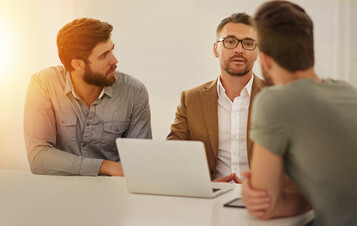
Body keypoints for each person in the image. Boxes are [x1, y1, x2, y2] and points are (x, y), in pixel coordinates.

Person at [242, 1, 357, 226]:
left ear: (264, 59)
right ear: (309, 50)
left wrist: (250, 191)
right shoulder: (348, 91)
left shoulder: (274, 101)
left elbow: (268, 205)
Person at [24, 18, 152, 176]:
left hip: (112, 193)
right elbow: (38, 158)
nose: (114, 60)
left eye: (112, 50)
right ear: (77, 64)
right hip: (57, 193)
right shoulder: (44, 85)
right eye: (104, 55)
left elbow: (140, 163)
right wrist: (104, 166)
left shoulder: (134, 92)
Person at [167, 13, 266, 182]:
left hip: (262, 200)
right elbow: (173, 154)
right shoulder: (191, 100)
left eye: (248, 43)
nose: (239, 49)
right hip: (209, 197)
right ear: (215, 49)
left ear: (257, 53)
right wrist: (206, 186)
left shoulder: (279, 98)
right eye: (230, 41)